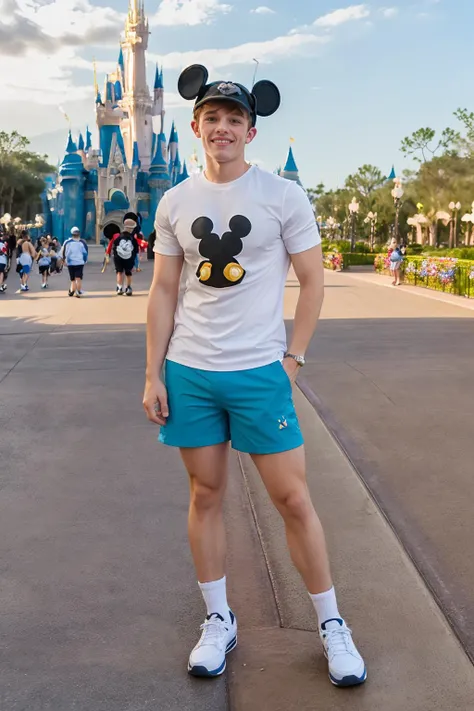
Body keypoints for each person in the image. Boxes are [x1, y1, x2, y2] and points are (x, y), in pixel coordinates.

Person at [143, 65, 366, 688]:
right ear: (195, 127)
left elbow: (314, 279)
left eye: (234, 120)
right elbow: (163, 288)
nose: (222, 129)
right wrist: (152, 372)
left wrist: (293, 358)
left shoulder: (282, 197)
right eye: (212, 118)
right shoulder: (175, 201)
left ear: (251, 130)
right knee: (205, 496)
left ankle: (331, 624)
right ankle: (219, 619)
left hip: (259, 371)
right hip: (191, 370)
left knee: (293, 499)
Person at [105, 214, 140, 296]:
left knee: (119, 272)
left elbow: (114, 246)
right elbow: (135, 250)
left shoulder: (117, 236)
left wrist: (110, 255)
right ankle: (128, 288)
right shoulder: (133, 238)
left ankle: (119, 287)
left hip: (118, 258)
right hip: (129, 258)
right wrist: (135, 260)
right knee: (128, 273)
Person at [60, 226, 88, 297]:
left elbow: (63, 252)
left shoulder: (67, 242)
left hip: (70, 263)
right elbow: (85, 253)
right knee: (78, 278)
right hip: (79, 263)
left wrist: (63, 260)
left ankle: (72, 290)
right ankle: (78, 291)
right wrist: (84, 260)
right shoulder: (82, 242)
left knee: (72, 279)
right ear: (79, 233)